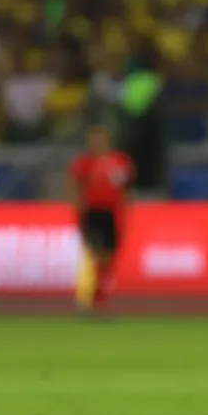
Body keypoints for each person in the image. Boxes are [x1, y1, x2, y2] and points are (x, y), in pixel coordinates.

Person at [68, 125, 134, 310]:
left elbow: (126, 188)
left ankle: (101, 295)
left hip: (111, 212)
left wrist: (127, 208)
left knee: (108, 255)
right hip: (92, 212)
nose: (97, 142)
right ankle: (87, 297)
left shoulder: (119, 161)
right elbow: (76, 186)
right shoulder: (84, 163)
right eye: (94, 139)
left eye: (100, 138)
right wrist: (78, 208)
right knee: (93, 254)